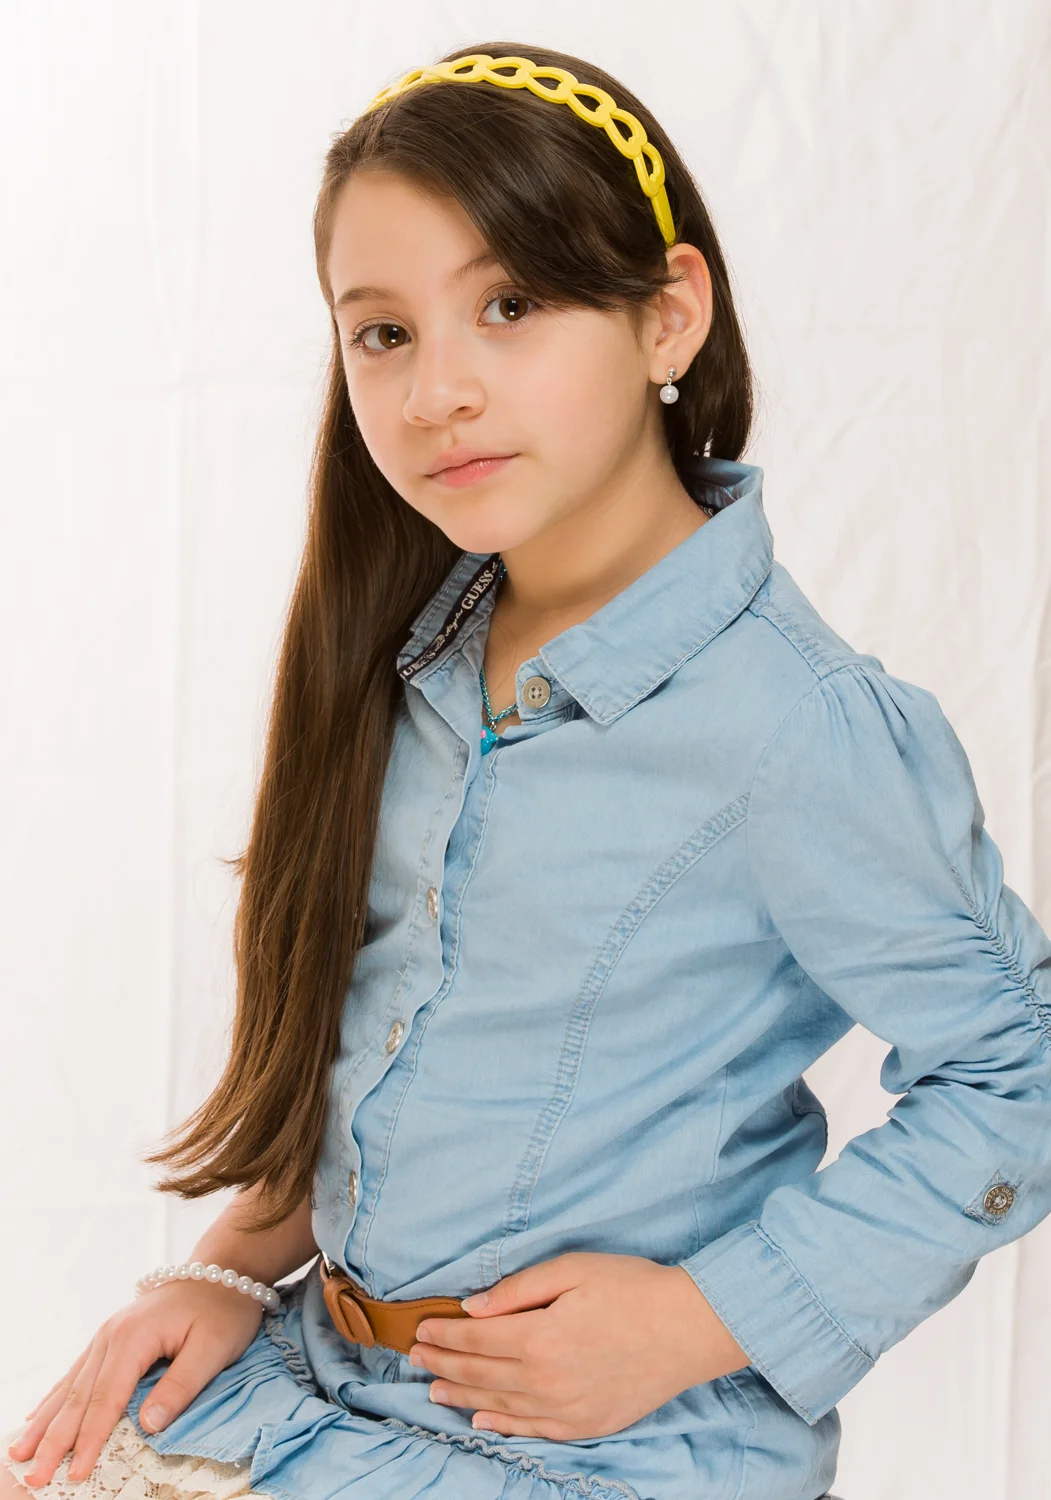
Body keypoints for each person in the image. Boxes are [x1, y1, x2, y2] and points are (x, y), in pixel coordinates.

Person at [4, 37, 1050, 1500]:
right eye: (383, 333)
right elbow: (385, 1040)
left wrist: (699, 1318)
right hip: (322, 1379)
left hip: (605, 1454)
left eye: (508, 307)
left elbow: (1019, 1069)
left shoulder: (795, 725)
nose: (437, 391)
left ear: (668, 317)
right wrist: (228, 1270)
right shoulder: (409, 656)